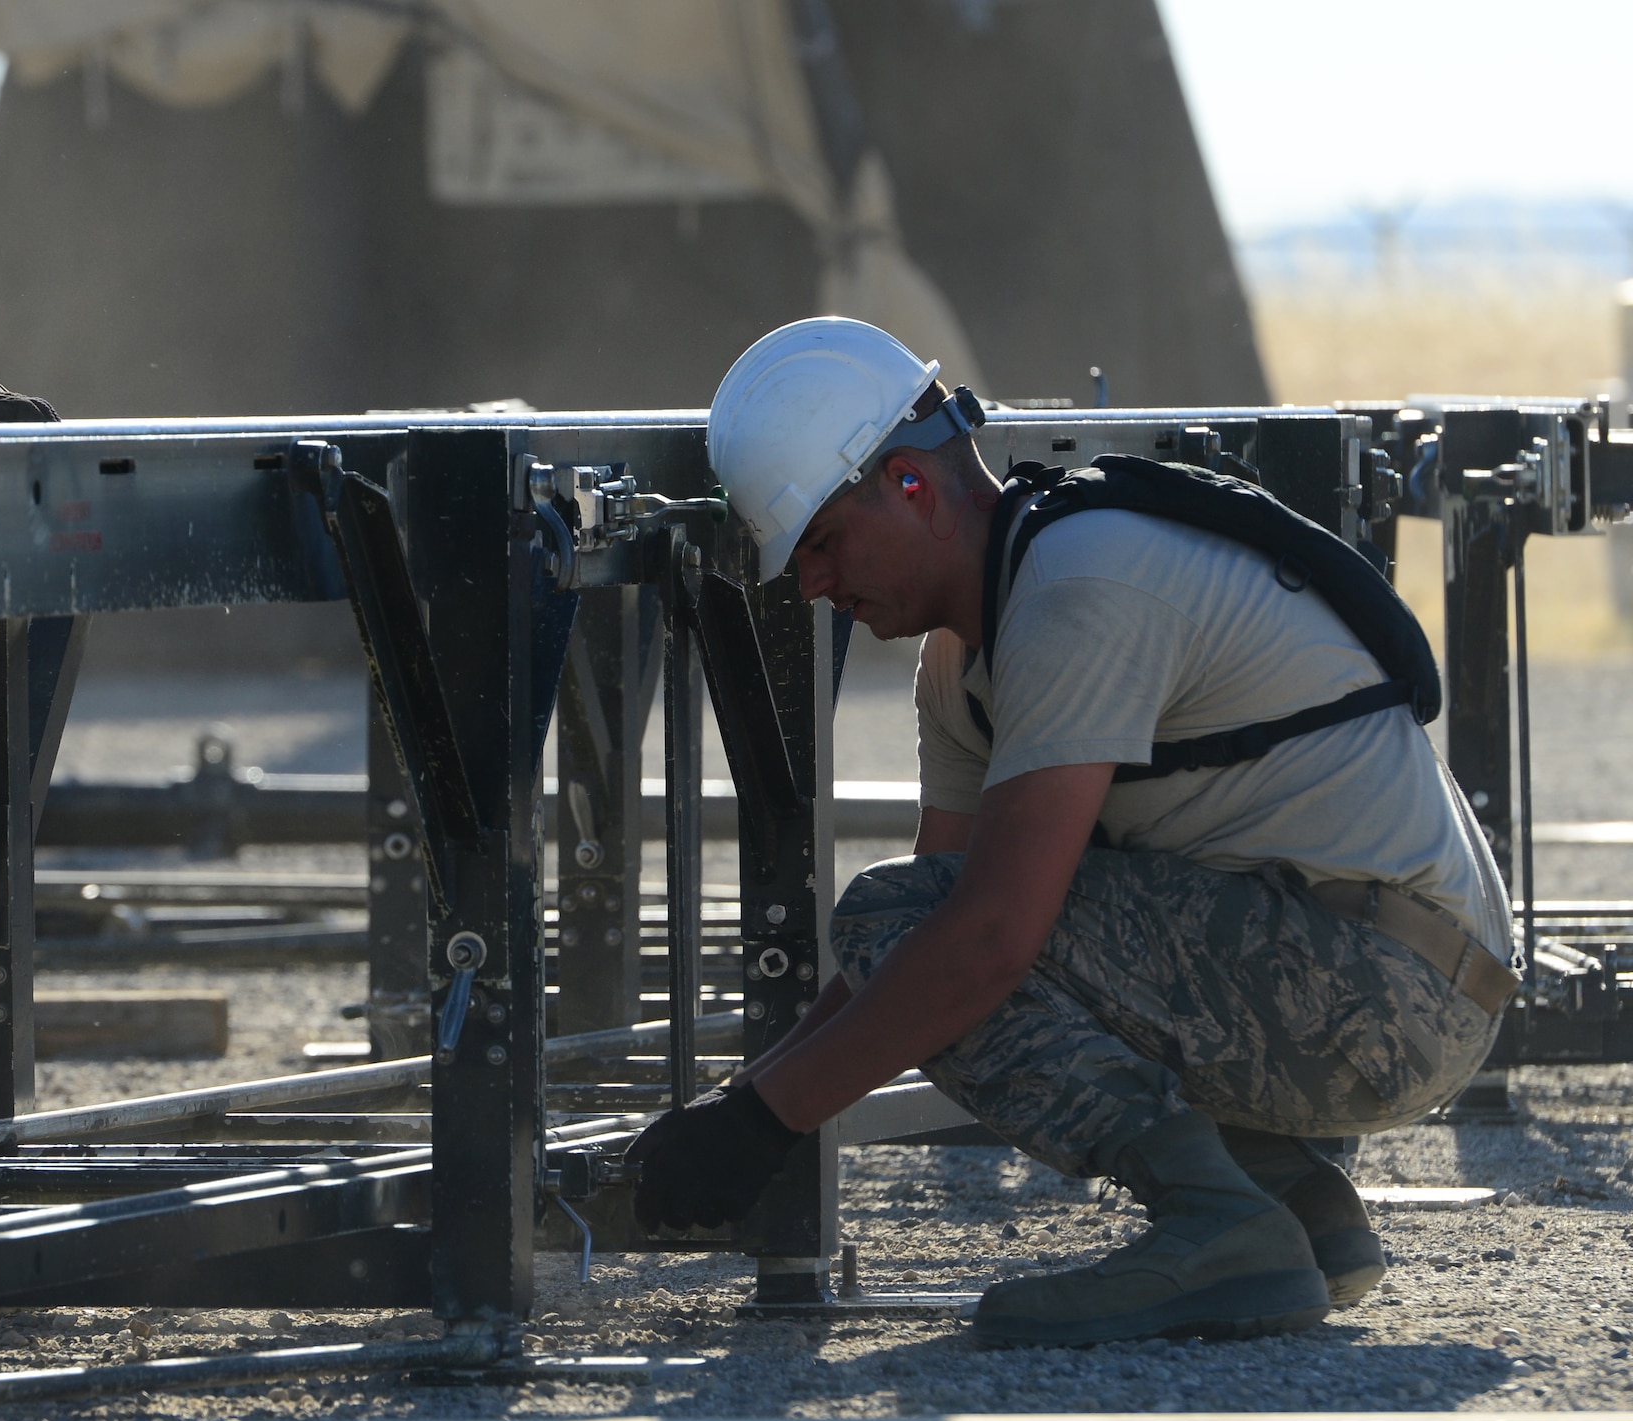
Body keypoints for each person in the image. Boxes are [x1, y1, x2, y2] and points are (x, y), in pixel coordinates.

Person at [626, 318, 1516, 1345]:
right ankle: (1289, 1210)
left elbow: (983, 941)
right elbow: (924, 942)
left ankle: (1222, 1225)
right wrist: (750, 1100)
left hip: (1394, 996)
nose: (813, 585)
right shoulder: (967, 656)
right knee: (914, 927)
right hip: (1380, 978)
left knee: (927, 926)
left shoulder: (1080, 585)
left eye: (821, 542)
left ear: (909, 482)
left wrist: (762, 1119)